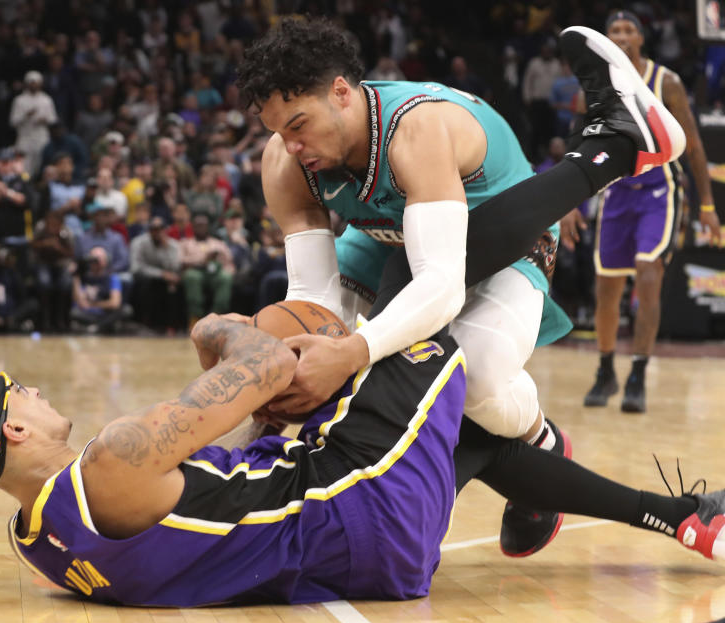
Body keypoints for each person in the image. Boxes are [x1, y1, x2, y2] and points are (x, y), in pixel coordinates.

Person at [0, 178, 725, 606]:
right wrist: (223, 329)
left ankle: (680, 520)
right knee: (424, 293)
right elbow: (266, 363)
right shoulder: (111, 462)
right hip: (352, 499)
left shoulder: (39, 542)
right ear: (14, 434)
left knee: (477, 439)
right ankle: (598, 162)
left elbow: (210, 492)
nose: (30, 390)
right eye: (16, 392)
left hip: (356, 550)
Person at [236, 19, 686, 557]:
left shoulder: (414, 128)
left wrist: (352, 350)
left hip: (504, 235)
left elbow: (442, 286)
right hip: (393, 238)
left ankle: (540, 437)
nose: (291, 144)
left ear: (341, 93)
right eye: (277, 130)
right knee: (336, 356)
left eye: (299, 124)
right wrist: (284, 377)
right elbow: (313, 300)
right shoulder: (284, 159)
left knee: (473, 375)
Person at [565, 11, 722, 414]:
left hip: (659, 190)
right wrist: (567, 202)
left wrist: (707, 205)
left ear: (641, 37)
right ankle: (605, 370)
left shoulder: (665, 81)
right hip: (617, 192)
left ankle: (637, 373)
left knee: (649, 274)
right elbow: (580, 143)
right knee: (607, 290)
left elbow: (695, 145)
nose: (621, 36)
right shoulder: (597, 86)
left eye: (628, 30)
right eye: (613, 30)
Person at [179, 213, 235, 326]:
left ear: (208, 227)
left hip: (215, 273)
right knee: (192, 276)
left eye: (204, 225)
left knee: (226, 277)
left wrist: (226, 268)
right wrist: (203, 260)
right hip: (196, 271)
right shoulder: (185, 243)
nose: (201, 227)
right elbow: (181, 261)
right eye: (198, 225)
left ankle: (215, 317)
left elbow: (229, 262)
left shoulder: (218, 243)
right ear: (193, 227)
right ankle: (195, 317)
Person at [130, 216, 183, 333]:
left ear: (165, 230)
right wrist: (161, 274)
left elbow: (175, 268)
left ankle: (171, 326)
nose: (157, 232)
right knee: (147, 284)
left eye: (160, 228)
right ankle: (145, 324)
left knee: (174, 286)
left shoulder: (172, 245)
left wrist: (166, 248)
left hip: (165, 281)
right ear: (149, 230)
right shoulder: (138, 242)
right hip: (145, 280)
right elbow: (135, 268)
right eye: (154, 229)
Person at [9, 70, 57, 177]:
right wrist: (26, 115)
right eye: (31, 82)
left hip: (41, 137)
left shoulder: (46, 100)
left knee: (40, 165)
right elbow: (13, 122)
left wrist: (45, 120)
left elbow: (53, 119)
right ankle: (25, 185)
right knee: (24, 166)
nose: (34, 85)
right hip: (25, 137)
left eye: (36, 82)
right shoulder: (19, 100)